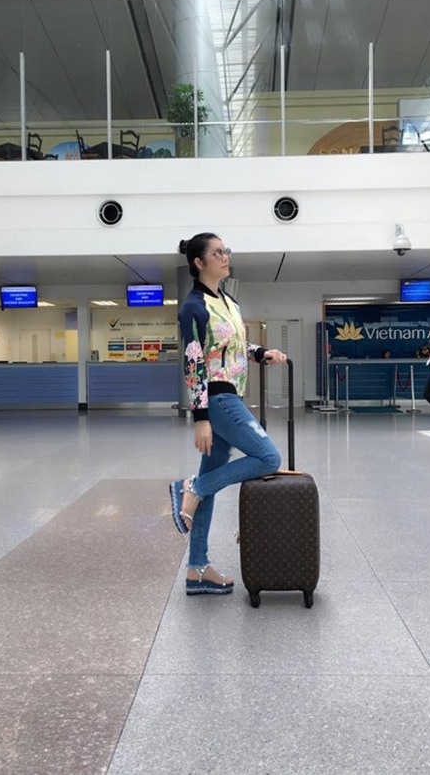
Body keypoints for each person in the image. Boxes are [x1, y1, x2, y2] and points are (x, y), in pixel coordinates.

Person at [170, 232, 287, 596]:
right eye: (217, 253)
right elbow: (193, 363)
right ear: (199, 263)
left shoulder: (229, 301)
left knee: (212, 481)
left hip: (231, 392)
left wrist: (260, 353)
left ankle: (197, 569)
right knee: (268, 457)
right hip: (218, 398)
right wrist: (201, 418)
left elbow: (233, 344)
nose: (225, 257)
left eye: (226, 251)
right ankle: (192, 487)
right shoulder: (192, 307)